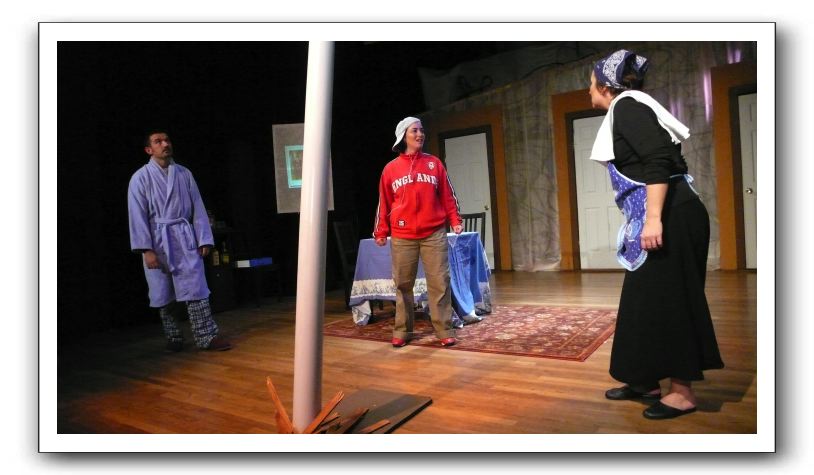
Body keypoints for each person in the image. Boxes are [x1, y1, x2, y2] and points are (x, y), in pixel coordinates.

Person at [587, 50, 724, 419]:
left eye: (592, 83)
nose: (589, 89)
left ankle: (682, 392)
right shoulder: (628, 108)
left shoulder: (628, 107)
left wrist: (653, 219)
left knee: (672, 301)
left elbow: (658, 160)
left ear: (606, 86)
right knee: (643, 302)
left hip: (672, 216)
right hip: (667, 213)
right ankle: (644, 379)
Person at [128, 130, 232, 352]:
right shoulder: (140, 178)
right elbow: (137, 215)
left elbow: (197, 206)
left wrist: (203, 238)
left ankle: (206, 336)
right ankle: (174, 337)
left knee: (196, 289)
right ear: (149, 149)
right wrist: (146, 250)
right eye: (158, 141)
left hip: (184, 239)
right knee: (164, 293)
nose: (165, 144)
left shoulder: (184, 174)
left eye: (166, 140)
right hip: (158, 241)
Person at [373, 117, 463, 348]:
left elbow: (447, 195)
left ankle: (444, 330)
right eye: (415, 130)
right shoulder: (390, 169)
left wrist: (455, 220)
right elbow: (384, 203)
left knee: (439, 282)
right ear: (404, 135)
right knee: (403, 285)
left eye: (422, 130)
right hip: (403, 235)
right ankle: (402, 331)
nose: (420, 134)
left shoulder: (434, 164)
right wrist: (381, 231)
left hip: (434, 232)